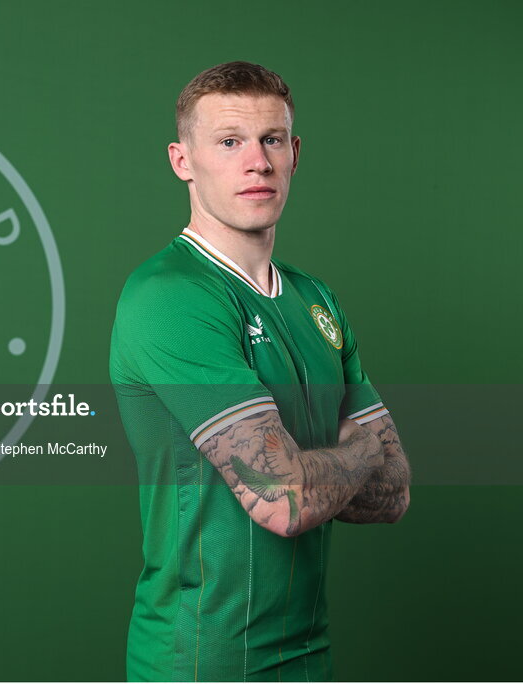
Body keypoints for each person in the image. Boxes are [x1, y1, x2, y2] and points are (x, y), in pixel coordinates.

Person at [109, 61, 411, 682]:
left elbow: (396, 491)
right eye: (229, 142)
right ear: (181, 160)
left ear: (295, 153)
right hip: (202, 660)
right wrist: (355, 454)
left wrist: (313, 470)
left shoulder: (314, 298)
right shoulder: (171, 296)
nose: (257, 162)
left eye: (271, 139)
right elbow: (285, 499)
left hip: (308, 653)